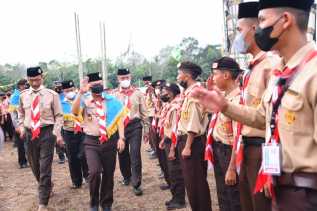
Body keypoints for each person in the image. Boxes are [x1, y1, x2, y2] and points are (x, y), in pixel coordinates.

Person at [191, 0, 317, 210]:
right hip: (283, 187)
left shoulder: (311, 74)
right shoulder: (283, 74)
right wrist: (224, 106)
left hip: (306, 195)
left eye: (262, 20)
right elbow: (263, 117)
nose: (258, 29)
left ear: (285, 20)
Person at [231, 2, 281, 211]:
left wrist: (271, 167)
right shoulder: (252, 69)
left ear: (253, 29)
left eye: (239, 30)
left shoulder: (270, 66)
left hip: (262, 149)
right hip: (247, 147)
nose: (238, 37)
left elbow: (273, 119)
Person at [72, 72, 126, 211]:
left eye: (99, 83)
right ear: (88, 85)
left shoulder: (112, 100)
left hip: (109, 141)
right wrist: (80, 93)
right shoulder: (84, 99)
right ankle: (94, 203)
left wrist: (121, 137)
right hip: (91, 142)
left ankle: (106, 203)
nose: (97, 85)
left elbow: (119, 119)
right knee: (94, 172)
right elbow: (74, 111)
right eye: (93, 83)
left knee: (108, 173)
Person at [17, 66, 64, 211]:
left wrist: (56, 133)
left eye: (37, 79)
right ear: (28, 80)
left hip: (46, 133)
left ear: (42, 78)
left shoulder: (52, 95)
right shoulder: (23, 95)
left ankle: (43, 202)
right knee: (34, 165)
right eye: (31, 80)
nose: (35, 83)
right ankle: (47, 185)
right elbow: (20, 113)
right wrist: (21, 126)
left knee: (45, 167)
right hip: (30, 134)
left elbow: (59, 116)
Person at [176, 61, 212, 211]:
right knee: (191, 182)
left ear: (187, 76)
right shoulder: (189, 92)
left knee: (196, 183)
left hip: (192, 142)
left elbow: (194, 121)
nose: (177, 77)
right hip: (187, 140)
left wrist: (188, 146)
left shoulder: (195, 93)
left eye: (179, 74)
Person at [207, 57, 242, 211]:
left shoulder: (237, 100)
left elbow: (238, 136)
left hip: (230, 153)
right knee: (222, 194)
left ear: (226, 75)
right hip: (219, 149)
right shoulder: (224, 98)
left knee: (234, 196)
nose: (213, 78)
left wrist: (232, 167)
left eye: (215, 74)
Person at [112, 68, 150, 196]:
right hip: (119, 127)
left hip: (135, 127)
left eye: (127, 77)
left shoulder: (138, 93)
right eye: (122, 78)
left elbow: (144, 112)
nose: (125, 80)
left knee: (135, 154)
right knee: (122, 153)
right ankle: (127, 176)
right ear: (118, 79)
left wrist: (146, 129)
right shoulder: (114, 95)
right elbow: (112, 114)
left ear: (131, 77)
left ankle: (136, 183)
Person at [159, 83, 186, 210]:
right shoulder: (169, 106)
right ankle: (175, 197)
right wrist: (164, 138)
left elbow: (175, 129)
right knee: (171, 171)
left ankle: (179, 199)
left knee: (176, 172)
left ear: (172, 93)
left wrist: (172, 149)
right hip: (169, 140)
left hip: (173, 143)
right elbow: (168, 126)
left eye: (166, 91)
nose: (163, 93)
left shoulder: (175, 108)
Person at [61, 80, 88, 189]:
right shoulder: (60, 103)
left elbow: (85, 114)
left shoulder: (81, 100)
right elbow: (59, 119)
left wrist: (84, 124)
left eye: (71, 90)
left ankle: (88, 177)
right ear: (63, 91)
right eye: (67, 91)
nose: (70, 92)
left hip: (82, 131)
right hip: (68, 132)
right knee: (72, 157)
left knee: (84, 154)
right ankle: (76, 181)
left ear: (75, 89)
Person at [9, 79, 29, 168]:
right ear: (20, 86)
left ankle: (27, 160)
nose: (26, 86)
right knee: (21, 144)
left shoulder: (24, 94)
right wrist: (17, 126)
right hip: (18, 124)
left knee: (27, 142)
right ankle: (22, 162)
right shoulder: (15, 97)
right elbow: (13, 114)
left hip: (26, 122)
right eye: (25, 85)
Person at [53, 81, 66, 164]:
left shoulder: (66, 95)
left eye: (60, 86)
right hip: (56, 120)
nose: (58, 88)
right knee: (57, 137)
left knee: (66, 136)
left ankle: (68, 153)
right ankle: (61, 156)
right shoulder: (53, 96)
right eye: (57, 86)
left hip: (67, 119)